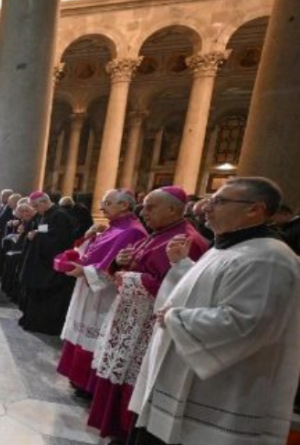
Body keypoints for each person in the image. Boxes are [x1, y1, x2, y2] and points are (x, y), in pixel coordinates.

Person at [129, 177, 300, 445]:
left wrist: (176, 318)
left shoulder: (268, 257)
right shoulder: (228, 246)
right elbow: (206, 290)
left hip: (220, 396)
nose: (206, 207)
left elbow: (248, 323)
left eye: (219, 201)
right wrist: (182, 267)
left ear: (255, 209)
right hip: (182, 380)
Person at [88, 186, 208, 442]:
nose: (143, 212)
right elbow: (138, 265)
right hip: (130, 317)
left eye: (151, 207)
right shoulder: (158, 233)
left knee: (134, 380)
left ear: (174, 209)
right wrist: (120, 262)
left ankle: (125, 433)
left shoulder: (187, 241)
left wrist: (132, 277)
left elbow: (179, 288)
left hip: (149, 325)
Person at [58, 189, 147, 397]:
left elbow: (116, 268)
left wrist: (85, 272)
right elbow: (93, 254)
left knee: (94, 332)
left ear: (124, 205)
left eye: (107, 203)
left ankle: (88, 385)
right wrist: (89, 239)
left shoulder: (132, 231)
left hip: (105, 295)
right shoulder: (113, 227)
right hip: (89, 288)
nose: (101, 207)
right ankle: (78, 379)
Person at [17, 191, 76, 334]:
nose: (35, 210)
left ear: (44, 202)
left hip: (49, 265)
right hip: (40, 262)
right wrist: (34, 233)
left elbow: (59, 240)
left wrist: (37, 237)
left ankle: (42, 324)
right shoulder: (46, 214)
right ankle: (32, 320)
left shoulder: (59, 215)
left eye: (36, 206)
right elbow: (45, 230)